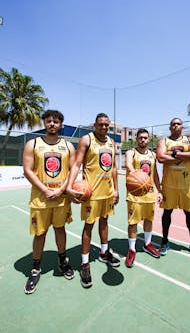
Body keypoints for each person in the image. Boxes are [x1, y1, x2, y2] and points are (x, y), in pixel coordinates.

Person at [23, 110, 76, 294]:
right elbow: (28, 170)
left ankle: (63, 262)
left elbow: (72, 170)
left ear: (61, 124)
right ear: (44, 123)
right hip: (40, 199)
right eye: (48, 121)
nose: (52, 124)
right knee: (40, 234)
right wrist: (45, 189)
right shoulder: (33, 143)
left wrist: (61, 190)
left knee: (60, 229)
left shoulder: (68, 146)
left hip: (61, 199)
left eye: (55, 121)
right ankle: (36, 268)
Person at [66, 113, 120, 288]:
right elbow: (76, 164)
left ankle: (104, 253)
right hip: (91, 193)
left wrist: (116, 190)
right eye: (101, 125)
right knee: (89, 226)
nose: (104, 128)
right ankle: (84, 263)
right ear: (94, 125)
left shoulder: (111, 142)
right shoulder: (86, 140)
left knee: (105, 222)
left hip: (107, 192)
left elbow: (113, 168)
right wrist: (69, 185)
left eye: (107, 125)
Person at [156, 118, 190, 261]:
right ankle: (164, 241)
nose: (176, 125)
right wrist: (186, 156)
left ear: (182, 126)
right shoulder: (163, 141)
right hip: (168, 184)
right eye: (173, 124)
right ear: (170, 127)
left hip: (187, 185)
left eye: (178, 123)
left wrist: (173, 154)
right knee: (167, 213)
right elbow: (160, 157)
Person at [125, 128, 163, 267]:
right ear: (136, 139)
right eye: (140, 137)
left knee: (148, 219)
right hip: (135, 193)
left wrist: (159, 190)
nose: (143, 140)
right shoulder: (131, 152)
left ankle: (147, 244)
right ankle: (132, 249)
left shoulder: (153, 155)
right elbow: (128, 163)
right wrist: (134, 172)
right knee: (133, 222)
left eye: (145, 138)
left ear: (149, 140)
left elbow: (156, 175)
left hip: (149, 193)